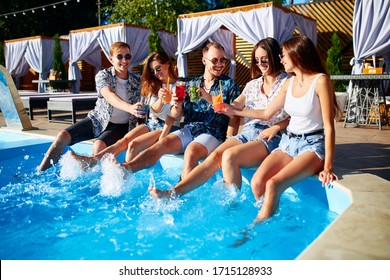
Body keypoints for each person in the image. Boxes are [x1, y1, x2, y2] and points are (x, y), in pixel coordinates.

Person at [149, 37, 290, 199]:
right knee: (215, 156)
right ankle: (174, 192)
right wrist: (208, 97)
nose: (260, 64)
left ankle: (231, 206)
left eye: (264, 59)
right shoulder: (253, 85)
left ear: (273, 57)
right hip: (250, 132)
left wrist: (276, 126)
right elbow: (228, 108)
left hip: (271, 135)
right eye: (257, 60)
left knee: (228, 156)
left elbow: (270, 114)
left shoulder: (287, 82)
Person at [109, 42, 241, 181]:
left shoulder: (229, 85)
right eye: (215, 60)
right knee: (162, 144)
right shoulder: (191, 84)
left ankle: (178, 192)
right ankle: (127, 168)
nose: (219, 64)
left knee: (191, 152)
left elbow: (235, 115)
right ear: (204, 60)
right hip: (190, 129)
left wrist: (228, 142)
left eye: (222, 60)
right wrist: (177, 105)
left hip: (213, 132)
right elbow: (175, 115)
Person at [249, 36, 339, 224]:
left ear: (296, 54)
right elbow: (266, 113)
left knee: (273, 184)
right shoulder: (289, 82)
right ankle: (270, 218)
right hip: (288, 142)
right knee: (257, 182)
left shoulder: (320, 81)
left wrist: (328, 167)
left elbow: (329, 127)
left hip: (312, 146)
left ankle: (256, 228)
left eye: (283, 56)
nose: (280, 60)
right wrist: (231, 109)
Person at [37, 41, 141, 172]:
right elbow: (108, 95)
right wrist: (130, 108)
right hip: (98, 119)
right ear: (111, 59)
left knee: (99, 145)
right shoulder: (103, 75)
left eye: (128, 56)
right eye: (119, 57)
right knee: (62, 136)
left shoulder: (137, 80)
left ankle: (95, 182)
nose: (124, 60)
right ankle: (40, 172)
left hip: (120, 126)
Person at [69, 50, 181, 166]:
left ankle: (126, 172)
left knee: (133, 145)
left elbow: (174, 116)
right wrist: (161, 100)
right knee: (123, 141)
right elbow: (153, 109)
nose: (156, 73)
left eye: (158, 68)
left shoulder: (179, 86)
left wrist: (162, 139)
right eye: (153, 71)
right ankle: (93, 159)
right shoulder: (155, 84)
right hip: (152, 123)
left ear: (167, 63)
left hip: (167, 127)